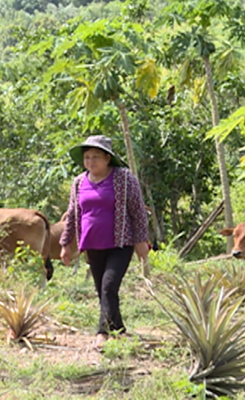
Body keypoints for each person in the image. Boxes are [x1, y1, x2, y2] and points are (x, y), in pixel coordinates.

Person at [59, 135, 149, 350]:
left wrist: (141, 241)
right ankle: (119, 329)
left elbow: (138, 212)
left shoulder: (124, 179)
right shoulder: (79, 182)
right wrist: (65, 243)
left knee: (109, 286)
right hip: (92, 243)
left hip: (120, 243)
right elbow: (72, 213)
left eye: (96, 157)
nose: (91, 161)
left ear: (108, 158)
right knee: (103, 290)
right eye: (87, 157)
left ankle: (102, 333)